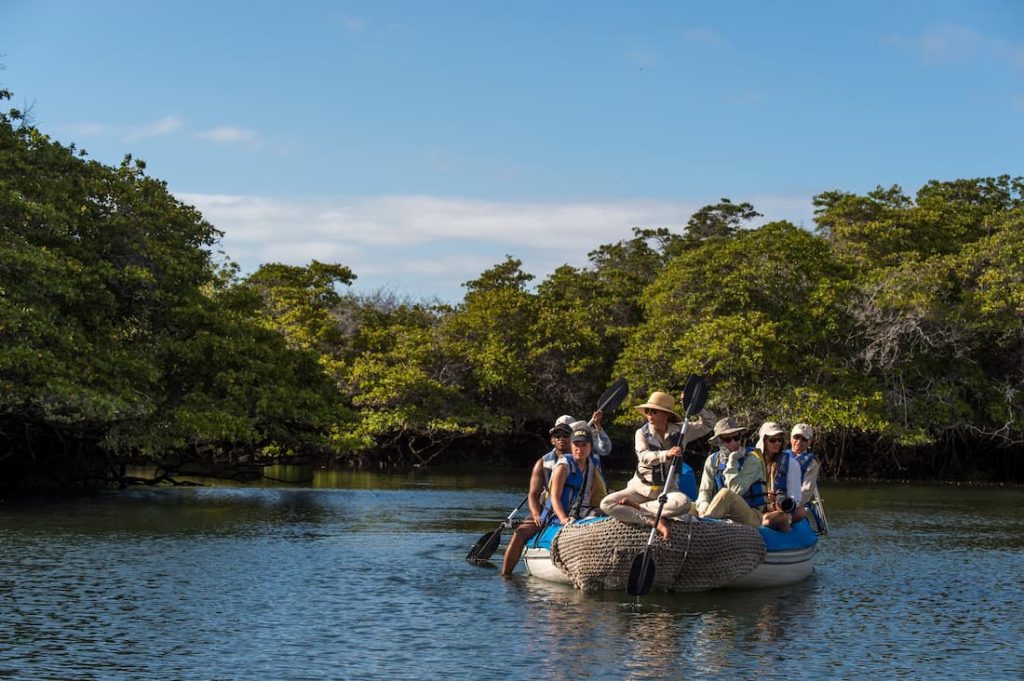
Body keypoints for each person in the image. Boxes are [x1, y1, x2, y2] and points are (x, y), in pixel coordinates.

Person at [600, 390, 715, 541]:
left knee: (684, 503)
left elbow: (709, 423)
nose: (649, 415)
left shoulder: (682, 431)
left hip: (667, 490)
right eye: (647, 411)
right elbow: (643, 456)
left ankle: (638, 509)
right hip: (640, 489)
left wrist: (695, 406)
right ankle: (652, 519)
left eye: (653, 411)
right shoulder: (641, 433)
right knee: (606, 503)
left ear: (666, 414)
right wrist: (665, 454)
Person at [500, 419, 573, 576]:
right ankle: (506, 576)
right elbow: (533, 494)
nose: (561, 438)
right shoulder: (542, 463)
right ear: (552, 440)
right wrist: (535, 514)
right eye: (557, 435)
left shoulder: (581, 459)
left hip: (574, 509)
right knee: (520, 533)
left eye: (566, 435)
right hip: (547, 510)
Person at [696, 417, 767, 528]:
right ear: (719, 442)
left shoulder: (751, 460)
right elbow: (705, 490)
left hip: (752, 515)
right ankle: (703, 522)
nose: (734, 442)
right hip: (722, 512)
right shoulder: (712, 460)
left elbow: (736, 490)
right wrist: (703, 505)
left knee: (726, 493)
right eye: (728, 440)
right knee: (687, 505)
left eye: (736, 437)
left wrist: (732, 461)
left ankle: (703, 528)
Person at [544, 423, 606, 526]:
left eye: (584, 445)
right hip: (558, 515)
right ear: (571, 446)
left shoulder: (592, 467)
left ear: (590, 447)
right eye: (576, 445)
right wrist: (563, 518)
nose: (579, 449)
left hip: (581, 513)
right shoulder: (563, 466)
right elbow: (554, 497)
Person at [756, 421, 804, 529]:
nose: (777, 443)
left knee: (800, 512)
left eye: (780, 440)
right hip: (756, 509)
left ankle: (775, 521)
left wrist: (776, 503)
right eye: (772, 440)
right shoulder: (752, 461)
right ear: (763, 441)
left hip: (778, 510)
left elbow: (795, 499)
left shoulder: (791, 464)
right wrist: (764, 497)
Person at [787, 423, 820, 505]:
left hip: (794, 503)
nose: (799, 442)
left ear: (810, 441)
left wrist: (789, 505)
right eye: (796, 437)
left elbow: (806, 491)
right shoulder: (780, 456)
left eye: (804, 439)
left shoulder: (812, 463)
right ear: (790, 438)